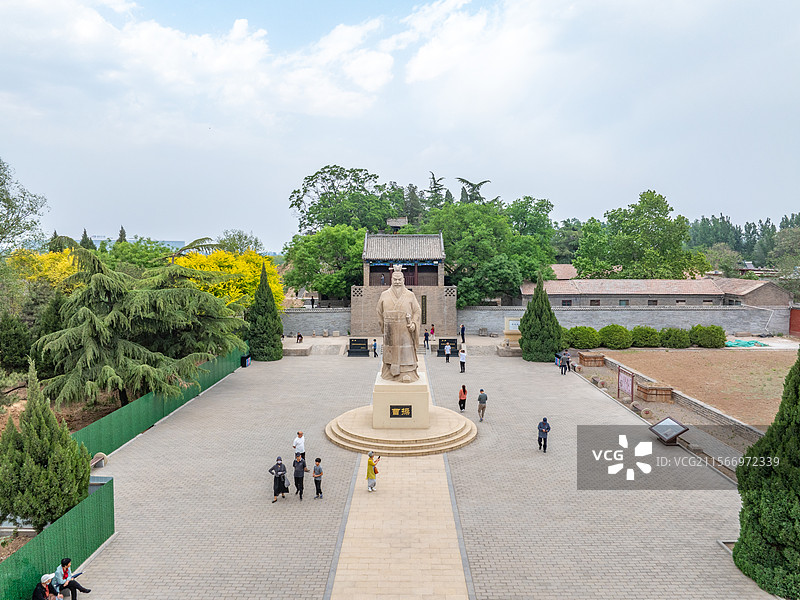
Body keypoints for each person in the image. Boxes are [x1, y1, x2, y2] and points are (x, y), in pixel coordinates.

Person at [377, 265, 422, 382]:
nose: (397, 282)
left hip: (404, 330)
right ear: (391, 280)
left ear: (403, 280)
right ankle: (389, 371)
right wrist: (384, 328)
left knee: (406, 351)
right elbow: (379, 313)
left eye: (399, 280)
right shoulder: (384, 295)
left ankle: (407, 373)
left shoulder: (410, 295)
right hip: (390, 329)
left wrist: (413, 324)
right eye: (395, 280)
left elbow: (417, 311)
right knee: (390, 353)